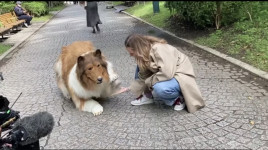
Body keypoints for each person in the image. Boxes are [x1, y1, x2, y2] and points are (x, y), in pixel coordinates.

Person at [125, 34, 205, 113]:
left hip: (179, 74)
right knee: (140, 66)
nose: (130, 55)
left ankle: (179, 98)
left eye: (132, 53)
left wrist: (149, 82)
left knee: (160, 88)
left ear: (138, 49)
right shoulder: (143, 53)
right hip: (167, 74)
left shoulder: (159, 49)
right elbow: (143, 74)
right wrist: (134, 87)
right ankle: (147, 96)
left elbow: (167, 73)